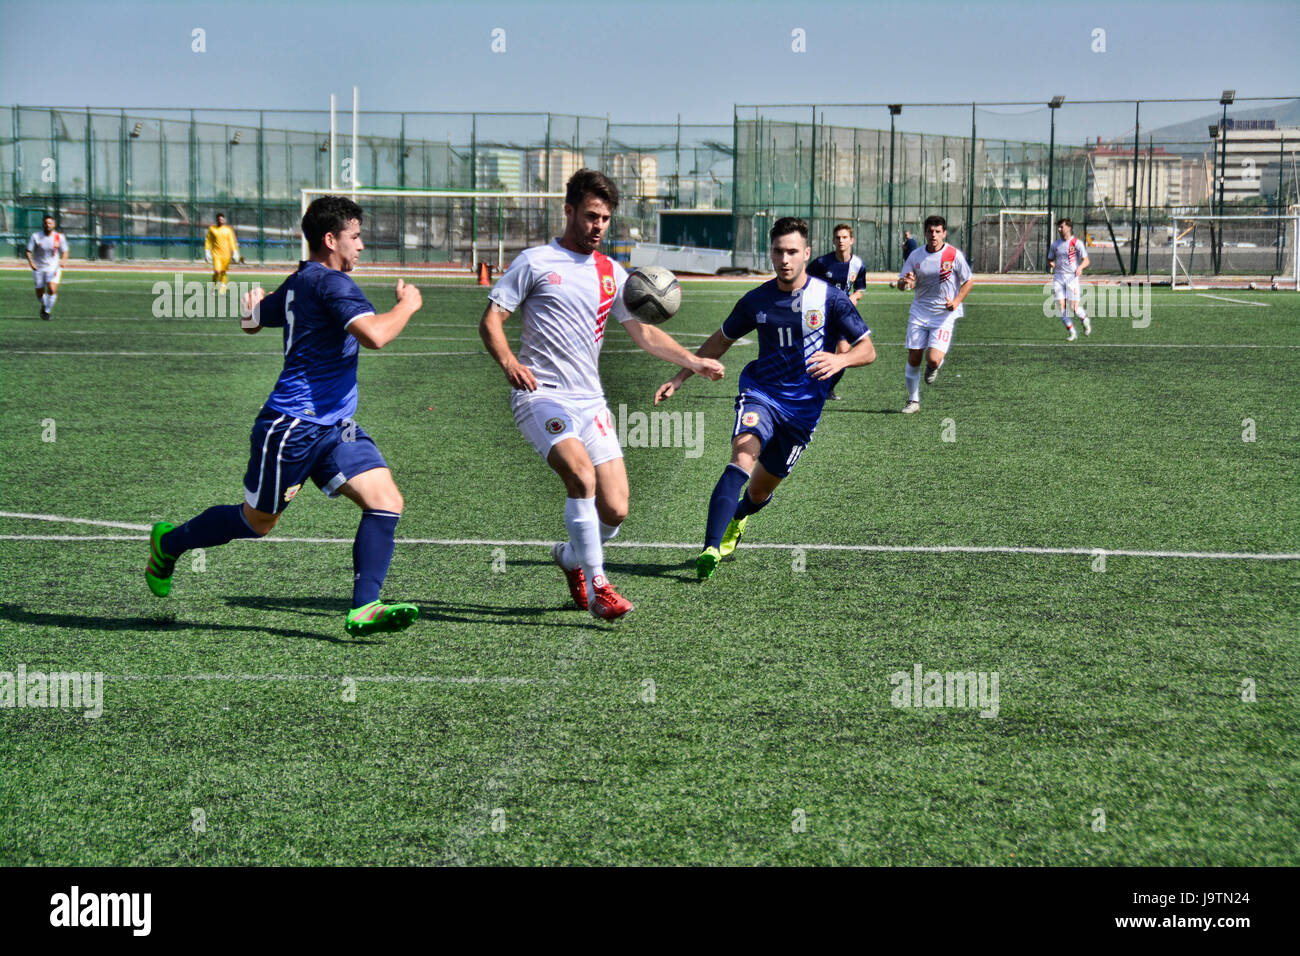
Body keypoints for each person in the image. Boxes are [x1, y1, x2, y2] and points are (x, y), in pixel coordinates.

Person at [146, 196, 425, 637]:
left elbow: (253, 321)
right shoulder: (332, 284)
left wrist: (253, 306)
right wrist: (408, 304)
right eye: (355, 237)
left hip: (335, 426)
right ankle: (169, 543)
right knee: (258, 522)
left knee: (386, 501)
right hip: (292, 425)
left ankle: (365, 606)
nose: (362, 245)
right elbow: (374, 336)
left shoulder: (302, 279)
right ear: (331, 239)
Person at [479, 169, 724, 620]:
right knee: (580, 477)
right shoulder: (534, 262)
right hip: (542, 396)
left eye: (606, 219)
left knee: (616, 508)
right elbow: (491, 321)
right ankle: (599, 586)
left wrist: (692, 362)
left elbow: (645, 333)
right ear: (569, 210)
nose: (598, 226)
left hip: (590, 402)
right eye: (591, 215)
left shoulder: (613, 273)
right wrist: (510, 363)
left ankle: (572, 558)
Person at [655, 216, 876, 580]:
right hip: (762, 393)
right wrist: (681, 376)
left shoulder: (830, 299)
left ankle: (738, 517)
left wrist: (840, 358)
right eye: (778, 251)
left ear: (806, 253)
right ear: (770, 253)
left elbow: (867, 350)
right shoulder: (756, 300)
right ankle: (710, 547)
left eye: (792, 252)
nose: (784, 259)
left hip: (804, 411)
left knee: (758, 492)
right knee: (743, 451)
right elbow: (721, 339)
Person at [896, 215, 974, 414]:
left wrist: (956, 302)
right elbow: (902, 284)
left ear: (944, 233)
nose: (934, 235)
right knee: (914, 357)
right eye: (930, 231)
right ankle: (913, 401)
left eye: (938, 231)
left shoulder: (953, 255)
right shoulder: (916, 256)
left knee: (932, 359)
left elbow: (969, 281)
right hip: (919, 312)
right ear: (924, 233)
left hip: (943, 315)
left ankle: (935, 364)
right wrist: (905, 281)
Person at [807, 222, 867, 401]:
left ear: (851, 240)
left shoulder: (857, 264)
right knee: (816, 353)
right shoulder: (822, 263)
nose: (841, 241)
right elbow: (806, 282)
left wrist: (854, 298)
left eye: (845, 237)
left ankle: (828, 389)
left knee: (843, 353)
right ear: (833, 240)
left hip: (842, 315)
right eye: (838, 237)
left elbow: (860, 289)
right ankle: (809, 388)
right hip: (821, 315)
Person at [1047, 217, 1090, 341]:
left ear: (1069, 228)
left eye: (1062, 227)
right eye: (1059, 227)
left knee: (1074, 308)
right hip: (1058, 278)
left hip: (1072, 277)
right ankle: (1072, 332)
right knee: (1062, 307)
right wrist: (1051, 264)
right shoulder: (1055, 245)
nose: (1059, 229)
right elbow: (1050, 259)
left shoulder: (1077, 243)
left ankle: (1085, 320)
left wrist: (1080, 267)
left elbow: (1086, 260)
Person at [26, 215, 69, 320]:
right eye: (46, 223)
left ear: (54, 224)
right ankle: (45, 305)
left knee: (52, 288)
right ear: (43, 224)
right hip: (39, 268)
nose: (47, 225)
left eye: (50, 223)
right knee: (40, 295)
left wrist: (63, 260)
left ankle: (47, 311)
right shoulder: (36, 236)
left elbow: (65, 251)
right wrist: (31, 263)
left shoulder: (59, 237)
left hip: (53, 267)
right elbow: (28, 251)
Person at [205, 213, 242, 291]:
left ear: (224, 220)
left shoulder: (228, 230)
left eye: (222, 219)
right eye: (219, 219)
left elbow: (232, 241)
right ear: (217, 220)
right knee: (217, 271)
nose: (221, 221)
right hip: (216, 254)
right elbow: (208, 241)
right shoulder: (212, 229)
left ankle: (222, 288)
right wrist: (207, 251)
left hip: (227, 255)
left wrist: (235, 252)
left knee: (223, 272)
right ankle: (214, 285)